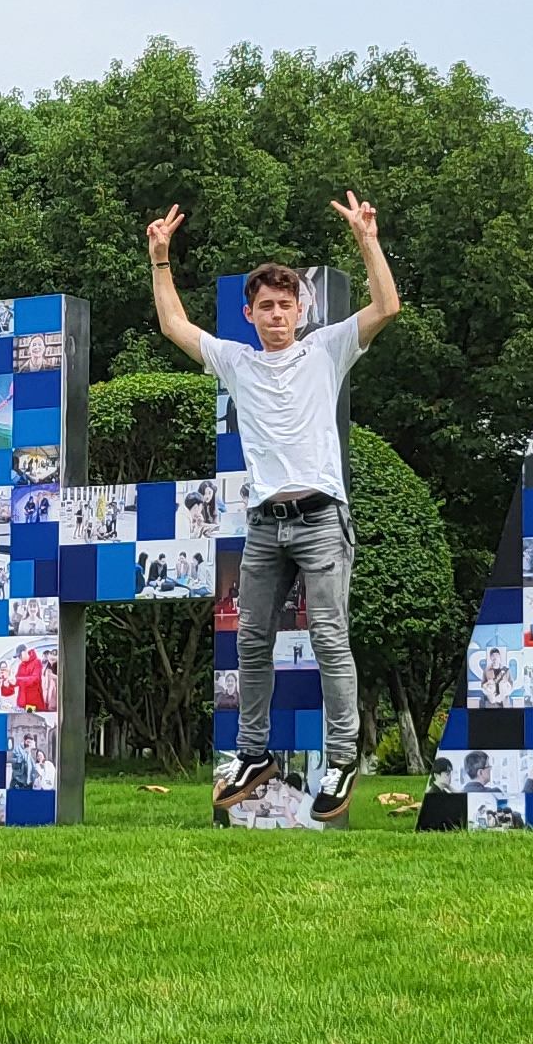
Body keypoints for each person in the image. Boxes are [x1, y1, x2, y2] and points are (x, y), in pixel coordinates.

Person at [149, 193, 403, 823]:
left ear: (301, 309)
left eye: (286, 305)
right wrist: (160, 261)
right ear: (249, 313)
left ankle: (342, 759)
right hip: (265, 525)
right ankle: (254, 754)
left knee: (329, 638)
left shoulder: (327, 351)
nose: (277, 315)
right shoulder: (236, 362)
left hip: (321, 519)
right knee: (250, 642)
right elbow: (175, 327)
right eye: (265, 306)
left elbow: (387, 306)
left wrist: (368, 239)